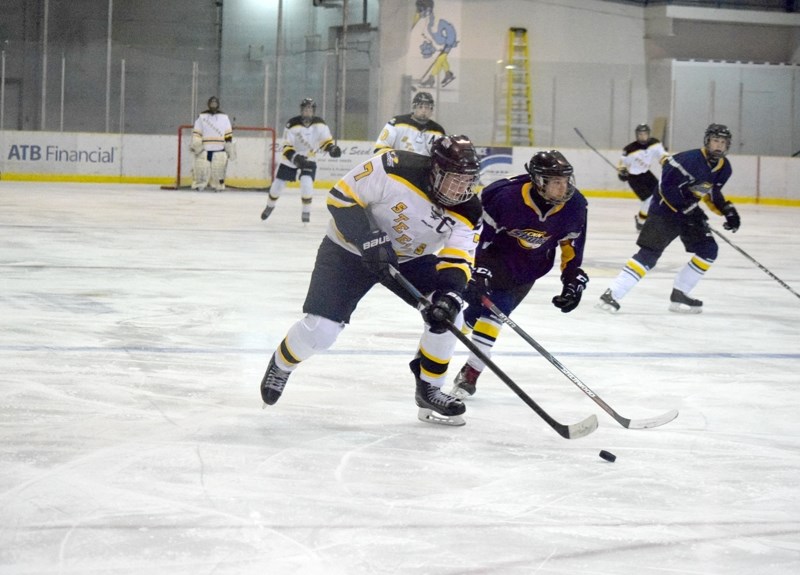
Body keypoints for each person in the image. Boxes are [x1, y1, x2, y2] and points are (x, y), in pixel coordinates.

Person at [259, 135, 483, 426]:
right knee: (321, 331)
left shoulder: (469, 209)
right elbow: (340, 199)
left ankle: (430, 388)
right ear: (435, 170)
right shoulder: (394, 167)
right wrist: (367, 238)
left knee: (448, 315)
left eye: (467, 182)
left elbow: (457, 257)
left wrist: (450, 295)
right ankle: (282, 363)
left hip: (410, 259)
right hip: (347, 249)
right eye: (454, 179)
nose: (460, 190)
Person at [451, 150, 589, 399]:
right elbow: (479, 236)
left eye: (566, 180)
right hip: (493, 261)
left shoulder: (575, 206)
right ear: (539, 181)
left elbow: (571, 247)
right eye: (556, 182)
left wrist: (570, 281)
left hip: (526, 271)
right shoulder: (505, 197)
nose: (564, 187)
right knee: (468, 318)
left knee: (495, 316)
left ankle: (471, 373)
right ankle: (435, 350)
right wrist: (477, 268)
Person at [598, 123, 741, 314]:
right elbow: (666, 186)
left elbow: (710, 192)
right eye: (715, 141)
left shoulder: (724, 168)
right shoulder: (687, 159)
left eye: (723, 142)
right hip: (664, 211)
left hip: (688, 213)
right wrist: (684, 207)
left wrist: (727, 210)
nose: (719, 146)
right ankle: (612, 294)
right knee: (649, 253)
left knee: (708, 250)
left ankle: (680, 293)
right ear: (707, 141)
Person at [259, 98, 341, 223]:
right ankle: (270, 206)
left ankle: (306, 212)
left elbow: (325, 142)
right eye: (305, 108)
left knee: (307, 183)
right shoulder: (292, 124)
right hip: (291, 158)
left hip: (309, 158)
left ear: (313, 110)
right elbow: (287, 147)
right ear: (301, 110)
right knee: (277, 185)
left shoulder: (320, 124)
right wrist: (295, 158)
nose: (307, 111)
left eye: (310, 108)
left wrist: (332, 148)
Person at [617, 123, 669, 231]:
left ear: (648, 134)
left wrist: (666, 162)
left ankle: (656, 219)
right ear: (637, 135)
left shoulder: (654, 143)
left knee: (660, 194)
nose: (642, 136)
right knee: (648, 200)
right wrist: (622, 171)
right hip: (634, 177)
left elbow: (662, 154)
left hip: (646, 174)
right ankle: (641, 222)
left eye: (645, 134)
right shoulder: (629, 149)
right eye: (640, 134)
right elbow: (622, 163)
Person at [373, 92, 446, 156]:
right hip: (399, 169)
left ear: (431, 109)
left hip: (425, 171)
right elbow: (380, 148)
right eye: (420, 107)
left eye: (427, 107)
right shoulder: (397, 123)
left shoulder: (438, 131)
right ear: (414, 107)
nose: (424, 110)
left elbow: (442, 156)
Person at [190, 96, 235, 191]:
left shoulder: (224, 117)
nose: (213, 105)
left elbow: (228, 133)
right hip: (205, 148)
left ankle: (218, 185)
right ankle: (200, 184)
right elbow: (197, 132)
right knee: (201, 168)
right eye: (211, 103)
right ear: (208, 104)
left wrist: (229, 146)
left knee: (218, 169)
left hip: (219, 148)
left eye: (215, 103)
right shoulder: (202, 117)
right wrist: (196, 144)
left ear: (218, 105)